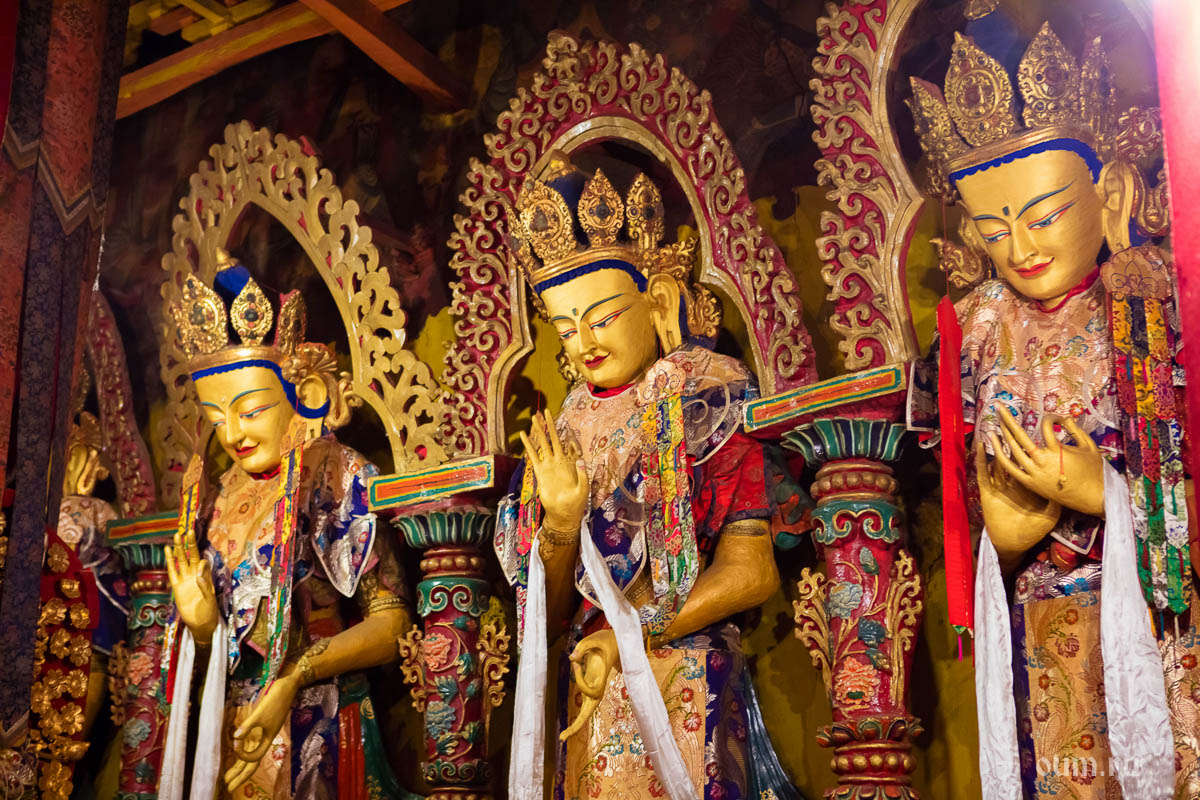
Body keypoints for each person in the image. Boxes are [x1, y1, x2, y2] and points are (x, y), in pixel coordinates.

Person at [908, 21, 1198, 798]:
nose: (1020, 248)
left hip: (1163, 624)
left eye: (1042, 217)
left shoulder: (1156, 301)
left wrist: (1104, 492)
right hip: (1044, 631)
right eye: (994, 229)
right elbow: (973, 516)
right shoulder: (979, 329)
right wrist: (1003, 541)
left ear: (1109, 195)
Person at [495, 157, 795, 800]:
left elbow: (752, 572)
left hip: (683, 668)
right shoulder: (561, 435)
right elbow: (546, 617)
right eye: (565, 328)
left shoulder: (706, 400)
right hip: (590, 680)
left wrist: (630, 634)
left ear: (655, 301)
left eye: (602, 318)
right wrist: (562, 522)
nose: (583, 344)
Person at [160, 252, 412, 799]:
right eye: (217, 418)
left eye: (250, 411)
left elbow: (392, 624)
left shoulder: (333, 471)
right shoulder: (217, 496)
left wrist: (295, 675)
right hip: (231, 726)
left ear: (303, 396)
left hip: (316, 717)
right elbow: (209, 653)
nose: (232, 434)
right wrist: (202, 628)